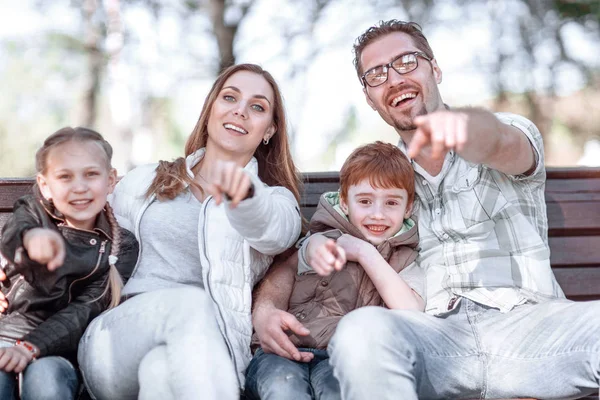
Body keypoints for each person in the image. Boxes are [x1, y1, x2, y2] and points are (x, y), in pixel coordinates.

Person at [252, 19, 600, 400]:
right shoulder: (383, 179)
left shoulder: (501, 129)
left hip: (531, 330)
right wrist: (266, 307)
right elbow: (308, 252)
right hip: (434, 340)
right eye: (377, 74)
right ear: (370, 98)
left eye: (406, 62)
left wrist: (469, 130)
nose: (394, 78)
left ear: (435, 69)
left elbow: (504, 144)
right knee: (361, 331)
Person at [77, 63, 303, 400]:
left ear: (269, 130)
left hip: (205, 360)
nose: (240, 111)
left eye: (257, 107)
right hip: (116, 339)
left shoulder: (275, 201)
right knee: (192, 305)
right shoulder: (146, 179)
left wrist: (245, 195)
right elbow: (78, 222)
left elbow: (273, 231)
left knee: (159, 374)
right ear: (211, 109)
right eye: (230, 98)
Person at [245, 141, 424, 400]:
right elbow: (310, 250)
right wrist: (318, 247)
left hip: (338, 360)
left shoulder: (405, 258)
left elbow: (410, 311)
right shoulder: (328, 237)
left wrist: (365, 253)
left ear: (407, 207)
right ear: (344, 202)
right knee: (284, 389)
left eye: (391, 203)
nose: (378, 214)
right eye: (365, 201)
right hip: (283, 351)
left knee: (336, 392)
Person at [0, 127, 138, 400]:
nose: (79, 187)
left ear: (110, 180)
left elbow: (84, 310)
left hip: (57, 348)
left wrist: (30, 347)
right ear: (45, 185)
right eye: (65, 177)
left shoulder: (121, 246)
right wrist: (33, 237)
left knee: (46, 380)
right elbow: (16, 232)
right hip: (5, 333)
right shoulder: (31, 212)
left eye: (91, 174)